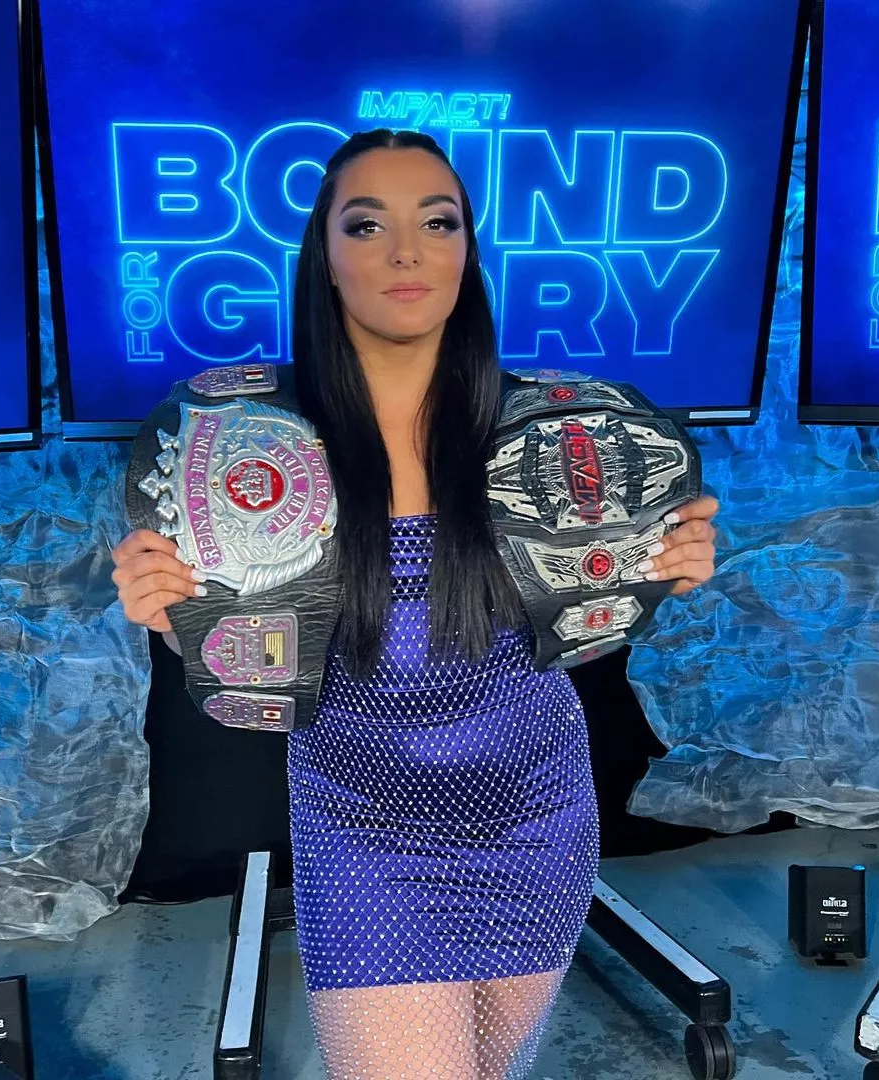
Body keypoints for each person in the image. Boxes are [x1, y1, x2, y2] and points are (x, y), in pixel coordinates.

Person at [112, 129, 719, 1079]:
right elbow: (231, 640)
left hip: (538, 813)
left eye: (438, 223)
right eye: (368, 225)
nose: (407, 252)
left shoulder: (559, 429)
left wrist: (662, 565)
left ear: (466, 252)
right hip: (364, 831)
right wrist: (168, 608)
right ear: (325, 256)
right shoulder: (238, 448)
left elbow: (591, 620)